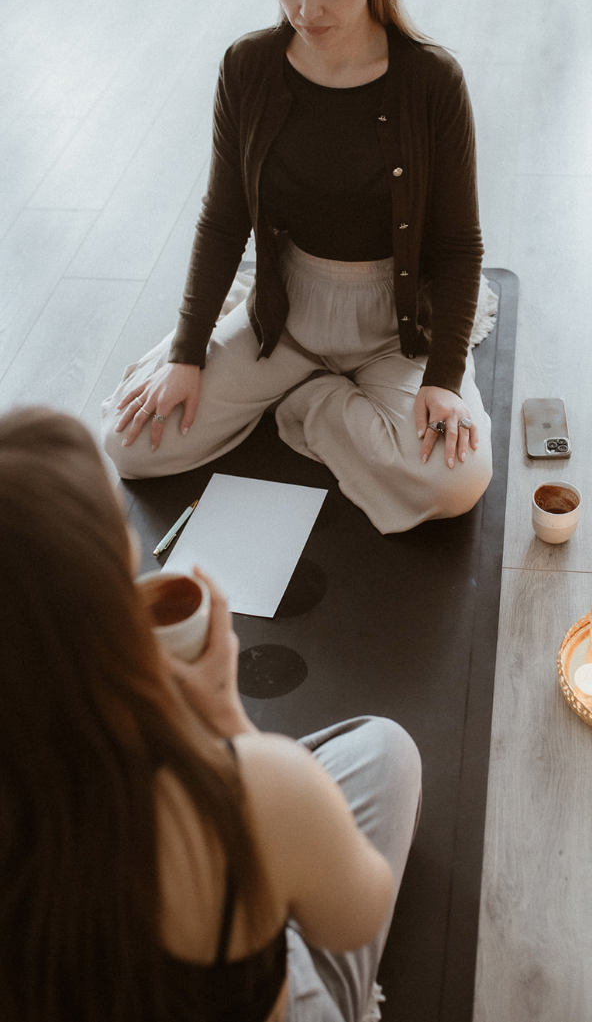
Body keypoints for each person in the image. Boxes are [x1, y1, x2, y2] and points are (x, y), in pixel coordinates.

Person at [100, 0, 493, 535]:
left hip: (395, 326)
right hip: (284, 309)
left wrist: (444, 380)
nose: (305, 8)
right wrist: (187, 355)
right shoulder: (246, 68)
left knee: (456, 480)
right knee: (129, 444)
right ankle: (277, 372)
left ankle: (309, 404)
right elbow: (223, 220)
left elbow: (458, 247)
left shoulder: (432, 81)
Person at [0, 406, 421, 1022]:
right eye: (117, 522)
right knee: (387, 750)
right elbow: (356, 916)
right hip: (252, 951)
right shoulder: (256, 791)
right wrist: (229, 722)